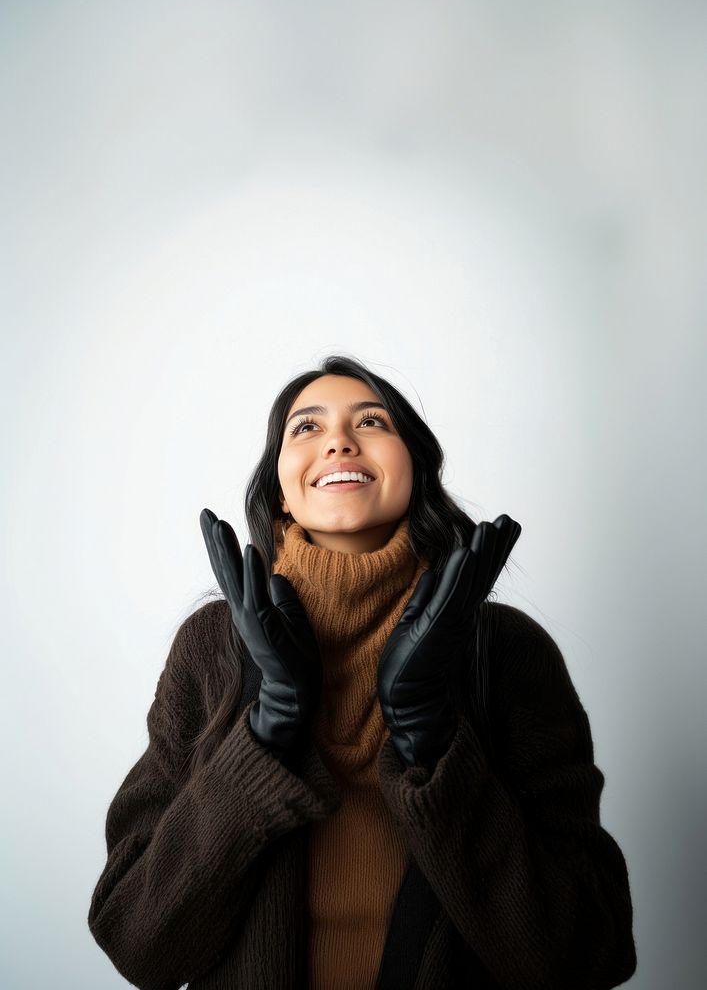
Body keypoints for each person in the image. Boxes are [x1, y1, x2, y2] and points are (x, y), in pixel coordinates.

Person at [87, 354, 638, 989]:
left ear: (416, 467)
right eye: (306, 428)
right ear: (281, 485)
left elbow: (587, 955)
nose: (339, 440)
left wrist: (432, 739)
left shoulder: (505, 651)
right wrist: (266, 737)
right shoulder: (211, 647)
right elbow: (139, 945)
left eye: (371, 421)